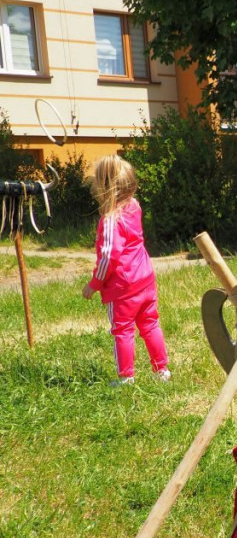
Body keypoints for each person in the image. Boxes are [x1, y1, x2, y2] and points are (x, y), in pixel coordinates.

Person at [82, 155, 170, 387]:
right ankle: (162, 371)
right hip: (145, 278)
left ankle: (126, 377)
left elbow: (109, 256)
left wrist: (95, 284)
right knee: (150, 324)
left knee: (122, 330)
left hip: (123, 287)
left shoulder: (111, 220)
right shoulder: (135, 207)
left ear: (103, 188)